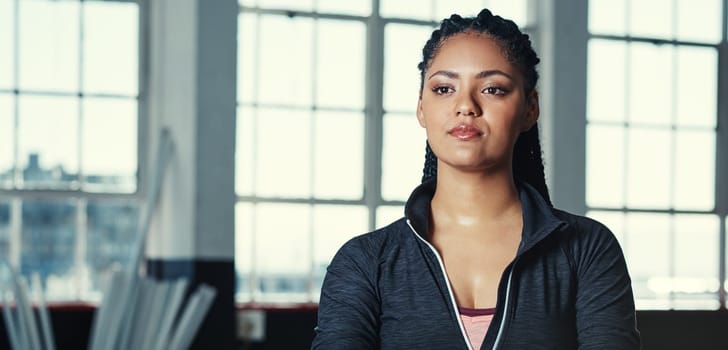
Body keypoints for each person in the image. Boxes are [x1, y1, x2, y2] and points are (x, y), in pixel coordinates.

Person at [312, 8, 640, 350]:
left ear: (530, 109)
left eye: (493, 89)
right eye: (443, 88)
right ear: (421, 108)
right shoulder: (365, 261)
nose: (465, 105)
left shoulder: (587, 249)